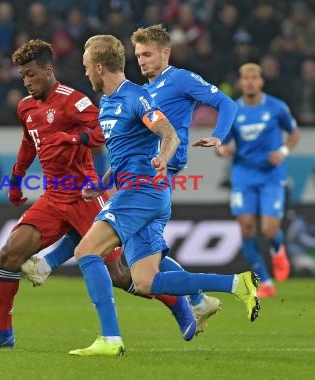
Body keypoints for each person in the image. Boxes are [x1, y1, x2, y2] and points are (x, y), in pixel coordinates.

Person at [23, 24, 239, 335]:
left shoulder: (179, 79)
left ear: (166, 52)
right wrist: (104, 180)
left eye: (148, 54)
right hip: (139, 175)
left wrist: (218, 136)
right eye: (138, 55)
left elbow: (225, 104)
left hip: (157, 173)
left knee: (103, 234)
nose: (142, 60)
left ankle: (49, 267)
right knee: (143, 258)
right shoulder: (138, 92)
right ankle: (199, 299)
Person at [69, 34, 260, 357]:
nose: (85, 73)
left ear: (99, 68)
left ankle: (110, 338)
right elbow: (123, 154)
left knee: (86, 251)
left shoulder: (135, 97)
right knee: (146, 282)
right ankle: (237, 284)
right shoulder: (107, 102)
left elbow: (167, 132)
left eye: (87, 67)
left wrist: (164, 158)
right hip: (139, 190)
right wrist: (103, 184)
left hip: (142, 191)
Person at [0, 39, 110, 348]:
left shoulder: (73, 100)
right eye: (23, 76)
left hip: (84, 194)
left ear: (48, 70)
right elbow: (28, 144)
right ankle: (4, 334)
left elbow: (103, 131)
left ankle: (180, 304)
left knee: (124, 276)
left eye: (31, 74)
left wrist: (75, 139)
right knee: (10, 255)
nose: (27, 81)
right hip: (53, 198)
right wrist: (16, 179)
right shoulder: (26, 107)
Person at [216, 63, 300, 298]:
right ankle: (265, 281)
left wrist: (282, 152)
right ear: (241, 82)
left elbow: (294, 133)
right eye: (246, 78)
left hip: (271, 175)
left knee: (270, 229)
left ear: (261, 81)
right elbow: (221, 142)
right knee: (247, 227)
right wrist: (221, 150)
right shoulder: (233, 111)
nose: (250, 82)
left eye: (255, 77)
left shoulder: (276, 107)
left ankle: (278, 249)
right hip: (243, 175)